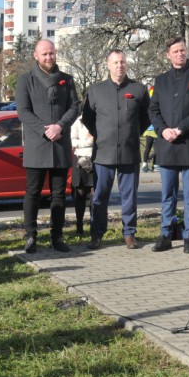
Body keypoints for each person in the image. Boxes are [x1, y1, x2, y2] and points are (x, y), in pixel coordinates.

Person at [148, 37, 189, 253]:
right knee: (167, 194)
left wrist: (181, 128)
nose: (179, 54)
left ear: (187, 52)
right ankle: (166, 234)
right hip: (166, 144)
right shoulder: (161, 80)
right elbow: (153, 110)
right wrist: (163, 129)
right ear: (168, 54)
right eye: (175, 51)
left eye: (182, 50)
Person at [81, 49, 150, 250]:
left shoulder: (139, 89)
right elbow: (87, 117)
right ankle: (97, 234)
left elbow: (146, 118)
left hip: (129, 152)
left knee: (130, 196)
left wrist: (132, 132)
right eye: (115, 62)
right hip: (103, 153)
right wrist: (101, 133)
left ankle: (129, 233)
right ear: (108, 64)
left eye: (122, 62)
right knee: (100, 195)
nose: (120, 66)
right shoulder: (95, 90)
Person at [16, 39, 79, 253]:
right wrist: (45, 130)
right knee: (32, 192)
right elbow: (23, 111)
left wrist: (60, 126)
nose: (49, 57)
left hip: (60, 144)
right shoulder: (25, 80)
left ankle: (57, 236)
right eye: (44, 54)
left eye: (51, 53)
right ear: (36, 55)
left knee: (59, 194)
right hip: (37, 144)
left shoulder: (67, 80)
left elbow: (74, 107)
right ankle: (31, 236)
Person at [69, 113, 94, 236]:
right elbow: (73, 141)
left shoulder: (99, 118)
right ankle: (79, 226)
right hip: (80, 160)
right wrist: (88, 140)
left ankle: (95, 226)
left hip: (96, 159)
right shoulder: (77, 122)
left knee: (95, 195)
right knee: (80, 194)